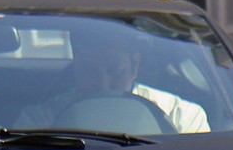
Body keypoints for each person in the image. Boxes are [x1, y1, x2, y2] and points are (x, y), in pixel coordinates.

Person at [19, 30, 210, 133]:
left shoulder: (182, 117)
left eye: (115, 72)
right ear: (76, 67)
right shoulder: (40, 123)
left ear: (135, 66)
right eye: (90, 72)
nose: (103, 85)